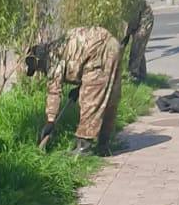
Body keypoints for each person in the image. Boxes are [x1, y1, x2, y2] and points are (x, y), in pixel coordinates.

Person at [27, 26, 124, 156]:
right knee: (109, 95)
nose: (39, 71)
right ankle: (104, 145)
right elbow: (79, 61)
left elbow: (54, 91)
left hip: (98, 50)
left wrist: (50, 120)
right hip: (112, 45)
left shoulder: (51, 57)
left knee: (90, 100)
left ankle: (84, 147)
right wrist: (79, 87)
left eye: (37, 68)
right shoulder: (59, 46)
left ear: (38, 60)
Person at [125, 0, 155, 83]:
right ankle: (142, 76)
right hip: (135, 20)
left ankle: (134, 76)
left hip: (145, 19)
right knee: (138, 51)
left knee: (137, 48)